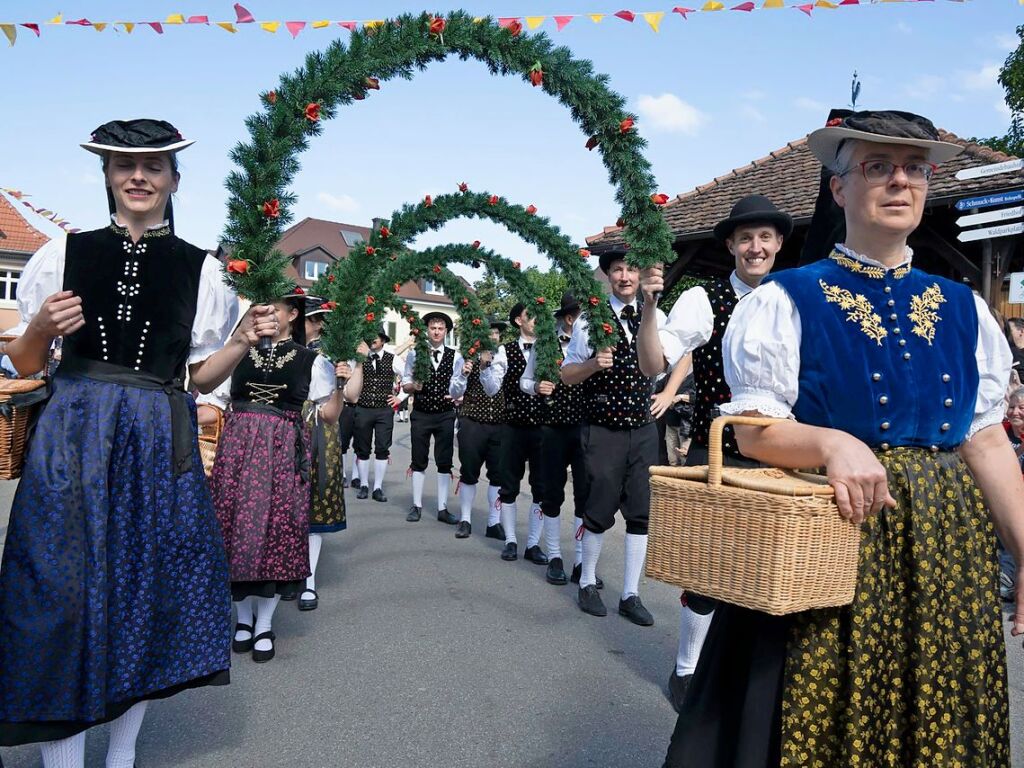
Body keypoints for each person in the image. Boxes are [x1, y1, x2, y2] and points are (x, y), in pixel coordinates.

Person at [662, 109, 1024, 767]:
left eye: (914, 168)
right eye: (877, 167)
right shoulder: (783, 299)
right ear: (839, 188)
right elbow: (750, 428)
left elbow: (988, 441)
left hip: (945, 555)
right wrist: (831, 444)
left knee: (937, 720)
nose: (899, 181)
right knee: (820, 717)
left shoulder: (964, 307)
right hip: (827, 540)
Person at [0, 119, 278, 768]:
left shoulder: (201, 269)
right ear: (106, 177)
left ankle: (120, 759)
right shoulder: (61, 253)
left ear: (173, 179)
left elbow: (200, 377)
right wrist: (40, 323)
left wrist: (239, 339)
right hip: (73, 440)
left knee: (142, 596)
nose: (138, 176)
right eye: (125, 164)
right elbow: (27, 361)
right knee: (56, 597)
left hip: (157, 440)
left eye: (153, 165)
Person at [637, 194, 793, 712]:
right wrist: (649, 309)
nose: (755, 247)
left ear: (778, 244)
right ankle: (687, 669)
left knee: (771, 571)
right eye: (745, 238)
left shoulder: (795, 298)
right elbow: (655, 363)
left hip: (786, 458)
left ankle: (750, 675)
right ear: (730, 245)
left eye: (765, 237)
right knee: (710, 569)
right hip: (721, 453)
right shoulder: (704, 299)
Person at [212, 288, 360, 662]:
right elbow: (212, 398)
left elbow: (327, 415)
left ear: (293, 314)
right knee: (235, 533)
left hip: (282, 451)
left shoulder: (312, 360)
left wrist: (341, 387)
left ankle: (264, 624)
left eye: (273, 308)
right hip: (238, 448)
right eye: (260, 308)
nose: (264, 314)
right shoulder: (239, 351)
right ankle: (242, 620)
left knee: (276, 533)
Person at [560, 250, 669, 625]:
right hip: (602, 426)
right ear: (607, 276)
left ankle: (630, 593)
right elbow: (566, 375)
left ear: (641, 274)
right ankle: (587, 581)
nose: (625, 276)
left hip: (641, 427)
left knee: (641, 511)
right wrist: (592, 364)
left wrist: (668, 395)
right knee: (600, 502)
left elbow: (672, 360)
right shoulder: (590, 321)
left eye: (631, 269)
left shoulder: (655, 316)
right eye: (617, 270)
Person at [520, 292, 590, 585]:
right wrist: (536, 387)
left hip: (587, 427)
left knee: (586, 495)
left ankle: (581, 560)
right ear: (571, 317)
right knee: (551, 492)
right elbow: (524, 380)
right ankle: (554, 557)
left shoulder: (595, 341)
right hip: (552, 427)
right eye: (585, 314)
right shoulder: (546, 344)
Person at [299, 297, 362, 612]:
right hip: (283, 422)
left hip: (321, 422)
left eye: (308, 317)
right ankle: (281, 572)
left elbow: (351, 394)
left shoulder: (334, 350)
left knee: (317, 500)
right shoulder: (282, 346)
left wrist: (357, 363)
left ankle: (307, 578)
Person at [491, 303, 547, 564]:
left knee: (542, 486)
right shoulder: (505, 350)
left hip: (543, 426)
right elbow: (492, 388)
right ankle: (511, 540)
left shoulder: (549, 348)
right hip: (513, 425)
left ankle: (533, 544)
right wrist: (484, 369)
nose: (535, 320)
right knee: (509, 484)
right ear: (517, 321)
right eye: (529, 316)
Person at [449, 318, 506, 539]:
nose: (493, 336)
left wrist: (485, 368)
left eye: (495, 333)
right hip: (472, 420)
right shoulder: (464, 356)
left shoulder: (503, 357)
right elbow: (454, 392)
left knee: (498, 474)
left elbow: (493, 389)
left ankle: (494, 522)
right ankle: (465, 519)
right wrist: (464, 374)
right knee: (469, 470)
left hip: (499, 422)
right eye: (488, 332)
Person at [402, 312, 458, 524]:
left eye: (440, 328)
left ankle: (443, 508)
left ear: (446, 331)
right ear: (427, 330)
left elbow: (459, 383)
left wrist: (456, 394)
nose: (436, 331)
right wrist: (411, 386)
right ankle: (416, 505)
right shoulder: (415, 354)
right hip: (422, 413)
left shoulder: (455, 356)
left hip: (444, 413)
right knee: (419, 459)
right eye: (433, 328)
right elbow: (406, 381)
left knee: (444, 461)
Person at [352, 326, 404, 502]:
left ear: (383, 340)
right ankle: (364, 484)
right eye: (369, 336)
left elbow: (410, 376)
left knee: (382, 448)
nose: (373, 338)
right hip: (363, 408)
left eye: (377, 336)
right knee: (362, 448)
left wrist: (400, 397)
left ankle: (378, 487)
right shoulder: (358, 358)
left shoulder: (393, 358)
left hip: (384, 410)